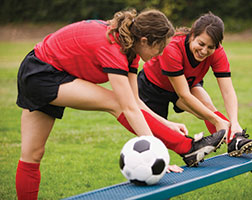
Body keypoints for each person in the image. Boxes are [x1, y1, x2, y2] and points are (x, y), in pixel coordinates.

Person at [15, 9, 226, 200]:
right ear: (145, 40)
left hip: (53, 70)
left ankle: (183, 145)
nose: (161, 54)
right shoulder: (113, 48)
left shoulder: (130, 49)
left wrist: (166, 124)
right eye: (159, 48)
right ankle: (186, 147)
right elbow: (126, 107)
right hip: (40, 73)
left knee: (33, 154)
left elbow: (135, 101)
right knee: (114, 102)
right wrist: (157, 155)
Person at [138, 12, 252, 159]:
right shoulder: (173, 47)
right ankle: (159, 162)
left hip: (187, 82)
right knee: (158, 132)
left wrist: (234, 122)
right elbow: (183, 94)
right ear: (192, 35)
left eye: (210, 47)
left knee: (208, 107)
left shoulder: (217, 52)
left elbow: (228, 91)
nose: (204, 51)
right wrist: (216, 121)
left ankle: (234, 139)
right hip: (153, 86)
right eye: (201, 44)